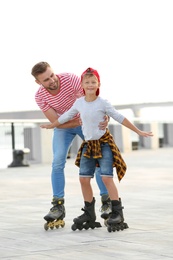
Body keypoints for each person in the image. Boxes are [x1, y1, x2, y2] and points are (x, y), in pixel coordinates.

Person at [40, 67, 153, 231]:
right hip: (88, 146)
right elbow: (65, 117)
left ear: (98, 83)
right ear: (82, 85)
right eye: (87, 82)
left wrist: (138, 131)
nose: (90, 85)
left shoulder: (103, 103)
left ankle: (117, 212)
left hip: (104, 144)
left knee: (107, 178)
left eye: (93, 82)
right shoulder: (78, 103)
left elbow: (119, 117)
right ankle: (89, 213)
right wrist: (52, 125)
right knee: (83, 179)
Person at [31, 62, 110, 227]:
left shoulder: (70, 79)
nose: (52, 80)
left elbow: (92, 101)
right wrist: (75, 120)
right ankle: (57, 206)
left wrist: (102, 116)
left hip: (85, 124)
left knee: (97, 160)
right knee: (57, 162)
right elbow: (55, 122)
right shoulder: (40, 96)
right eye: (46, 80)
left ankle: (106, 201)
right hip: (65, 127)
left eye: (52, 75)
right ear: (39, 83)